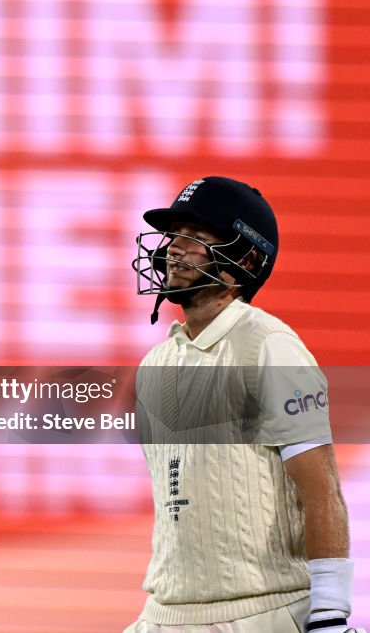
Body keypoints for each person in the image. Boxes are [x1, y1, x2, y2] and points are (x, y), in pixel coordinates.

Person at [126, 176, 363, 633]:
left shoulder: (269, 345)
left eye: (196, 237)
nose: (174, 249)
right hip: (163, 614)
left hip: (261, 612)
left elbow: (322, 488)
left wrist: (330, 614)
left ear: (246, 259)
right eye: (174, 235)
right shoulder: (157, 361)